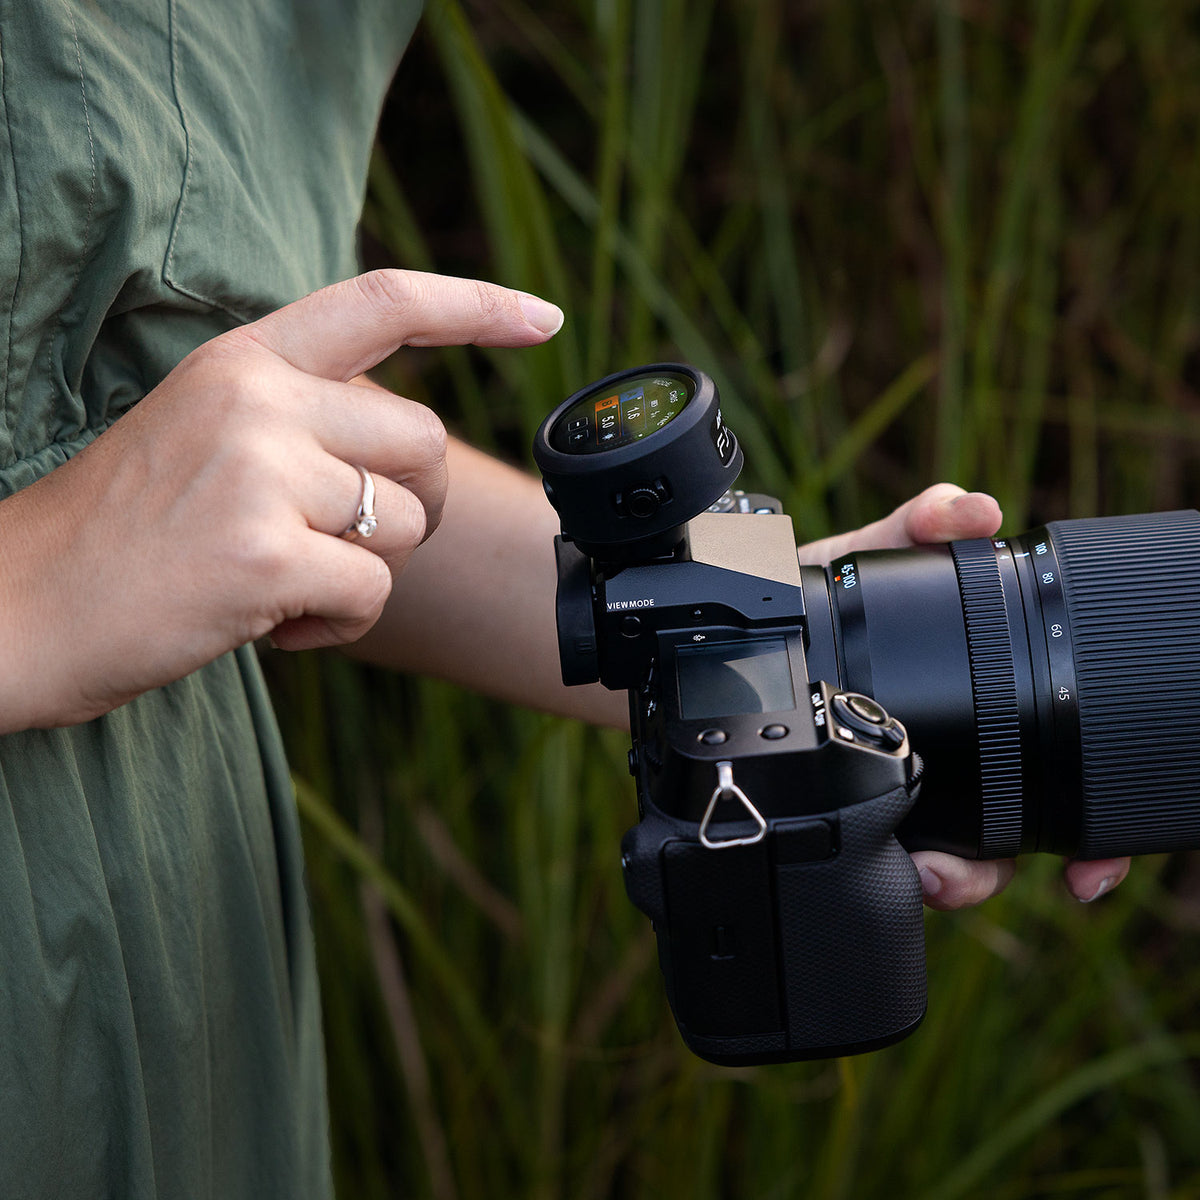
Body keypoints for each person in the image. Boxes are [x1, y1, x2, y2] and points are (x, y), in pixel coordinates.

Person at [0, 2, 1128, 1196]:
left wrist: (777, 627)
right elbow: (107, 505)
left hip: (194, 945)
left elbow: (214, 476)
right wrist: (34, 586)